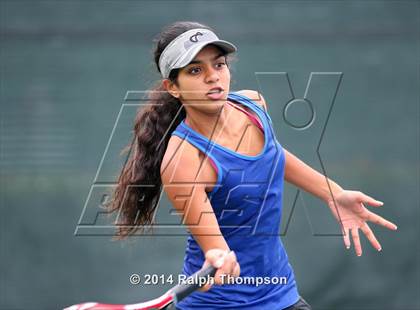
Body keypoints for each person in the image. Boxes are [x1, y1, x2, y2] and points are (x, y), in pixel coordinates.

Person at [107, 21, 398, 310]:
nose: (213, 77)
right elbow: (213, 244)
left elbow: (273, 157)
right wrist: (219, 256)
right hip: (221, 305)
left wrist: (333, 193)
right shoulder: (183, 159)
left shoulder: (252, 105)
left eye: (219, 65)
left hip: (281, 293)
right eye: (195, 70)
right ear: (174, 88)